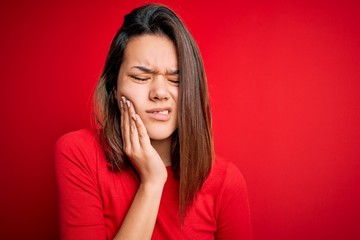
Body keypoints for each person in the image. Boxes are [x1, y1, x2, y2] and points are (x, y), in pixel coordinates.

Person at [54, 4, 252, 240]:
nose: (160, 92)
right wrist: (152, 182)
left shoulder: (225, 181)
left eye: (176, 80)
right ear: (114, 88)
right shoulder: (79, 153)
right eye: (141, 77)